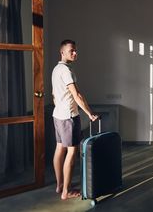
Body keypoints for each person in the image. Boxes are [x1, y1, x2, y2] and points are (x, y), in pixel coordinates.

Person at [52, 39, 98, 200]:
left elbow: (54, 95)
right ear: (62, 52)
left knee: (59, 149)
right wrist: (90, 113)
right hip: (68, 117)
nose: (75, 53)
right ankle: (66, 191)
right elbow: (77, 95)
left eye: (75, 50)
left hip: (57, 115)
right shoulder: (67, 71)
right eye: (71, 50)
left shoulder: (56, 69)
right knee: (71, 152)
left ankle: (59, 186)